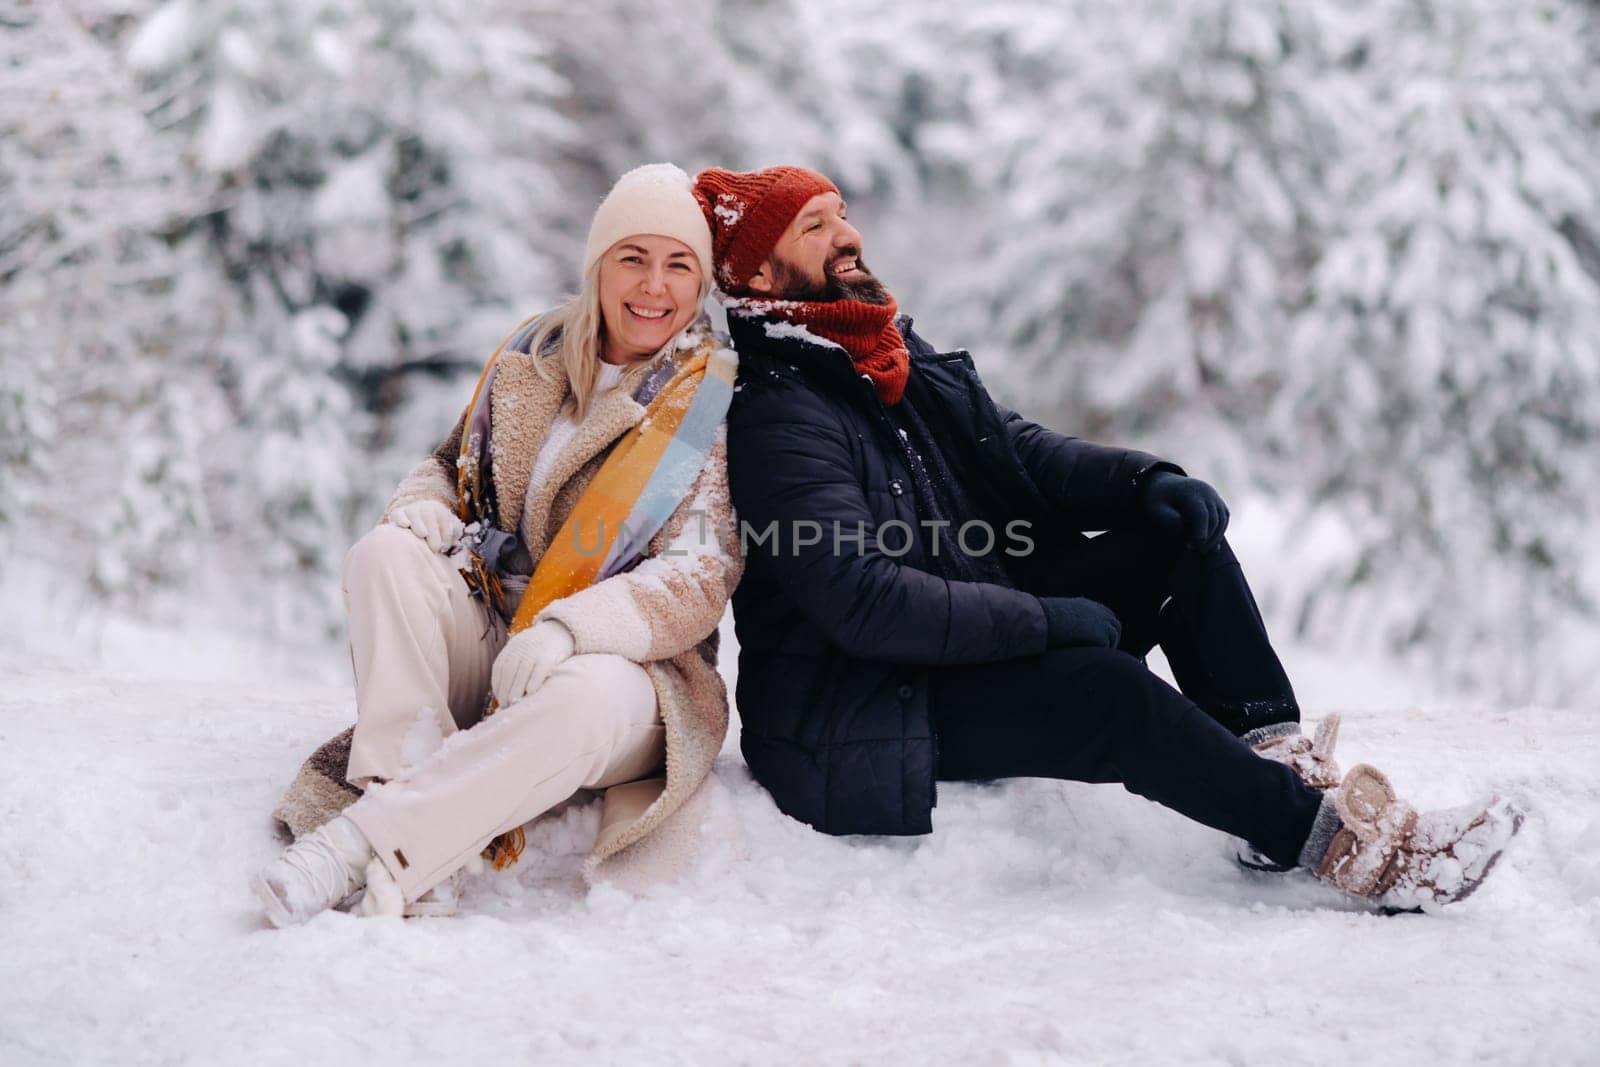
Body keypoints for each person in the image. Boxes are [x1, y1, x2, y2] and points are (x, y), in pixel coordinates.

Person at [694, 164, 1520, 911]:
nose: (848, 234)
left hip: (957, 627)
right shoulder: (781, 413)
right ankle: (1351, 850)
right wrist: (1050, 623)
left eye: (841, 212)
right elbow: (865, 604)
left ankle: (1273, 765)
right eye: (816, 226)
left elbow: (1015, 445)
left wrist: (1144, 480)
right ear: (761, 275)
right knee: (1106, 691)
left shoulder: (881, 353)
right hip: (865, 695)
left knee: (1173, 542)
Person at [254, 164, 742, 926]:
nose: (654, 286)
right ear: (599, 266)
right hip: (499, 631)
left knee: (582, 694)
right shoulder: (533, 356)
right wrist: (422, 507)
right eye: (633, 258)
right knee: (381, 555)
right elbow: (449, 466)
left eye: (678, 264)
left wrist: (569, 630)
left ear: (701, 282)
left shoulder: (708, 402)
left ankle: (360, 845)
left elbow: (698, 574)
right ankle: (421, 834)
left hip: (631, 679)